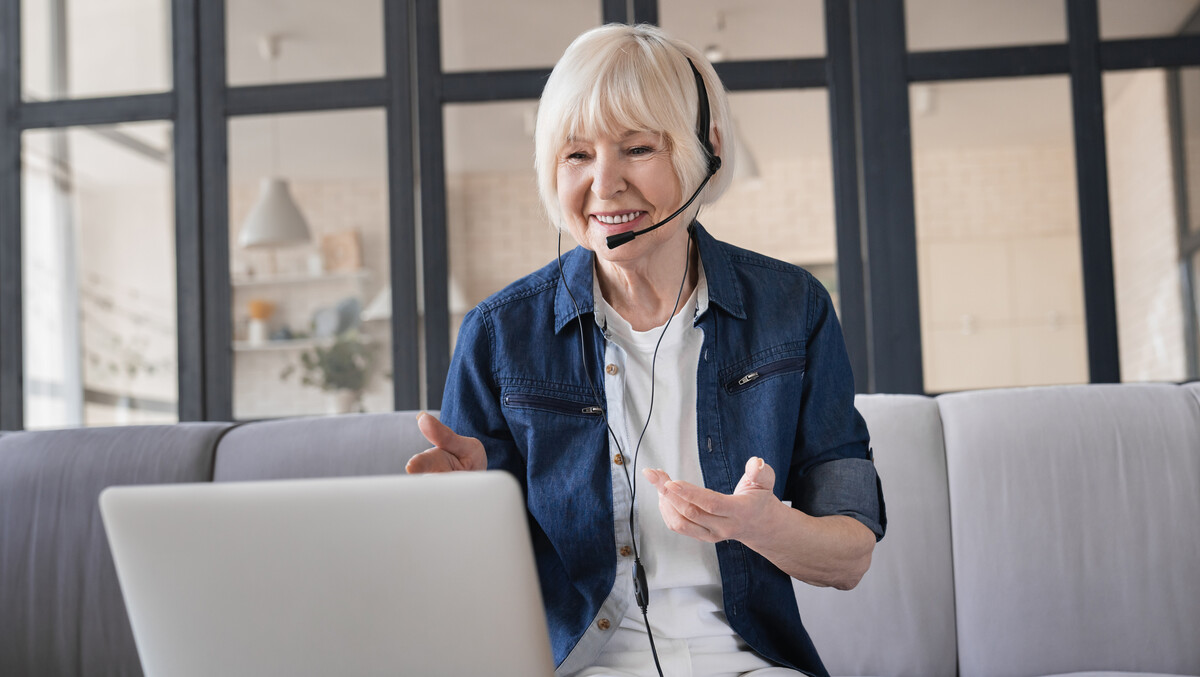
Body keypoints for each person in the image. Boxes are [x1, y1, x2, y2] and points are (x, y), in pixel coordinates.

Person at [406, 23, 885, 677]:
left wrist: (760, 524)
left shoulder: (793, 307)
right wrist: (458, 519)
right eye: (577, 155)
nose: (604, 184)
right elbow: (461, 592)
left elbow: (851, 553)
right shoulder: (498, 334)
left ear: (707, 151)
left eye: (636, 148)